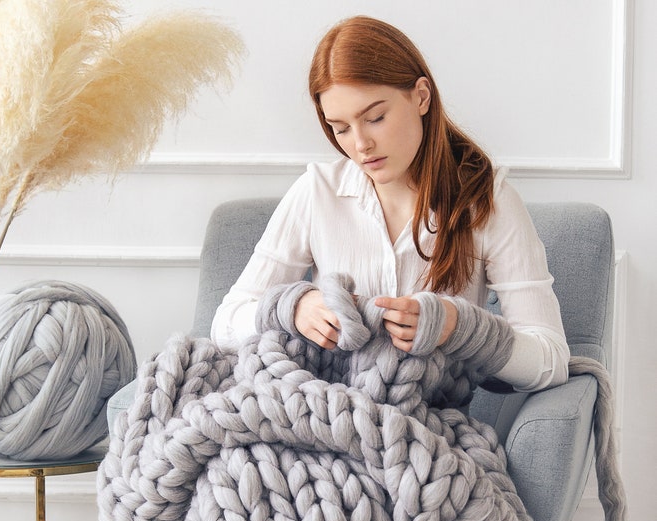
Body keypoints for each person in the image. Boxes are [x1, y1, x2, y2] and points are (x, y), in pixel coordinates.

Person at [211, 15, 569, 392]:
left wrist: (458, 327)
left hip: (422, 433)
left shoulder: (487, 202)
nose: (360, 144)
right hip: (316, 421)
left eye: (376, 118)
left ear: (421, 97)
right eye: (341, 128)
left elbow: (551, 361)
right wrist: (293, 309)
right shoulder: (316, 193)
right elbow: (225, 324)